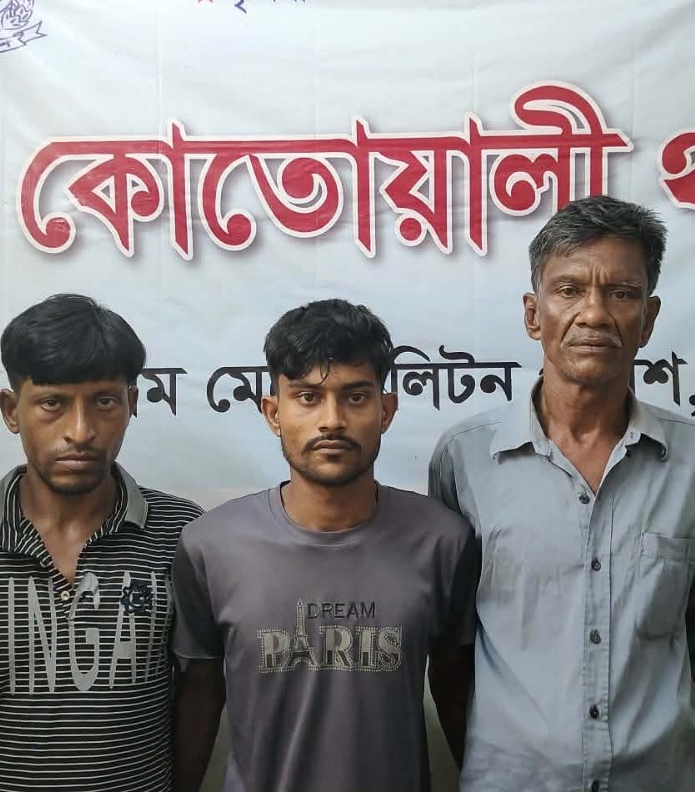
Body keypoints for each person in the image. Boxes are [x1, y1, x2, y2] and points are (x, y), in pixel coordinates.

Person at [429, 196, 695, 792]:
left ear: (648, 318)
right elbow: (452, 645)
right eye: (569, 290)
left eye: (621, 293)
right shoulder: (465, 459)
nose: (594, 313)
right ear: (533, 314)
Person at [0, 294, 202, 791]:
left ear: (131, 404)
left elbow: (199, 701)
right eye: (53, 403)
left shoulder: (180, 533)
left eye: (104, 402)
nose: (80, 431)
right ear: (11, 410)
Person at [171, 299, 479, 792]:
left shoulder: (442, 542)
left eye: (355, 396)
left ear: (386, 410)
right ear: (273, 413)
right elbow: (200, 693)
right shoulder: (210, 546)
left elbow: (455, 686)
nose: (332, 420)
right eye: (308, 397)